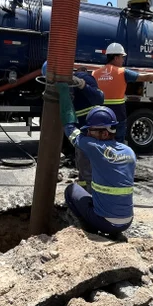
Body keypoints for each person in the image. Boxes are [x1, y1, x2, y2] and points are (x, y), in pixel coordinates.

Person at [59, 82, 136, 239]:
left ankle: (90, 231)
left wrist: (64, 95)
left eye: (91, 130)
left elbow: (69, 128)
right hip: (127, 221)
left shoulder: (94, 147)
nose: (88, 133)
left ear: (105, 133)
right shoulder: (129, 152)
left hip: (104, 222)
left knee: (71, 191)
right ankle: (115, 233)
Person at [92, 43, 153, 142]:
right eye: (121, 57)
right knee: (118, 142)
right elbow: (147, 77)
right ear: (115, 58)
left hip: (100, 113)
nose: (123, 60)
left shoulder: (95, 73)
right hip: (117, 114)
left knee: (99, 140)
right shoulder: (122, 72)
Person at [42, 61, 104, 188]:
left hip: (91, 130)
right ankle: (84, 189)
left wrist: (82, 85)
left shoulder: (83, 78)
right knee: (83, 164)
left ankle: (88, 195)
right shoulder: (61, 86)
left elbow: (99, 98)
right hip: (81, 130)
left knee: (88, 164)